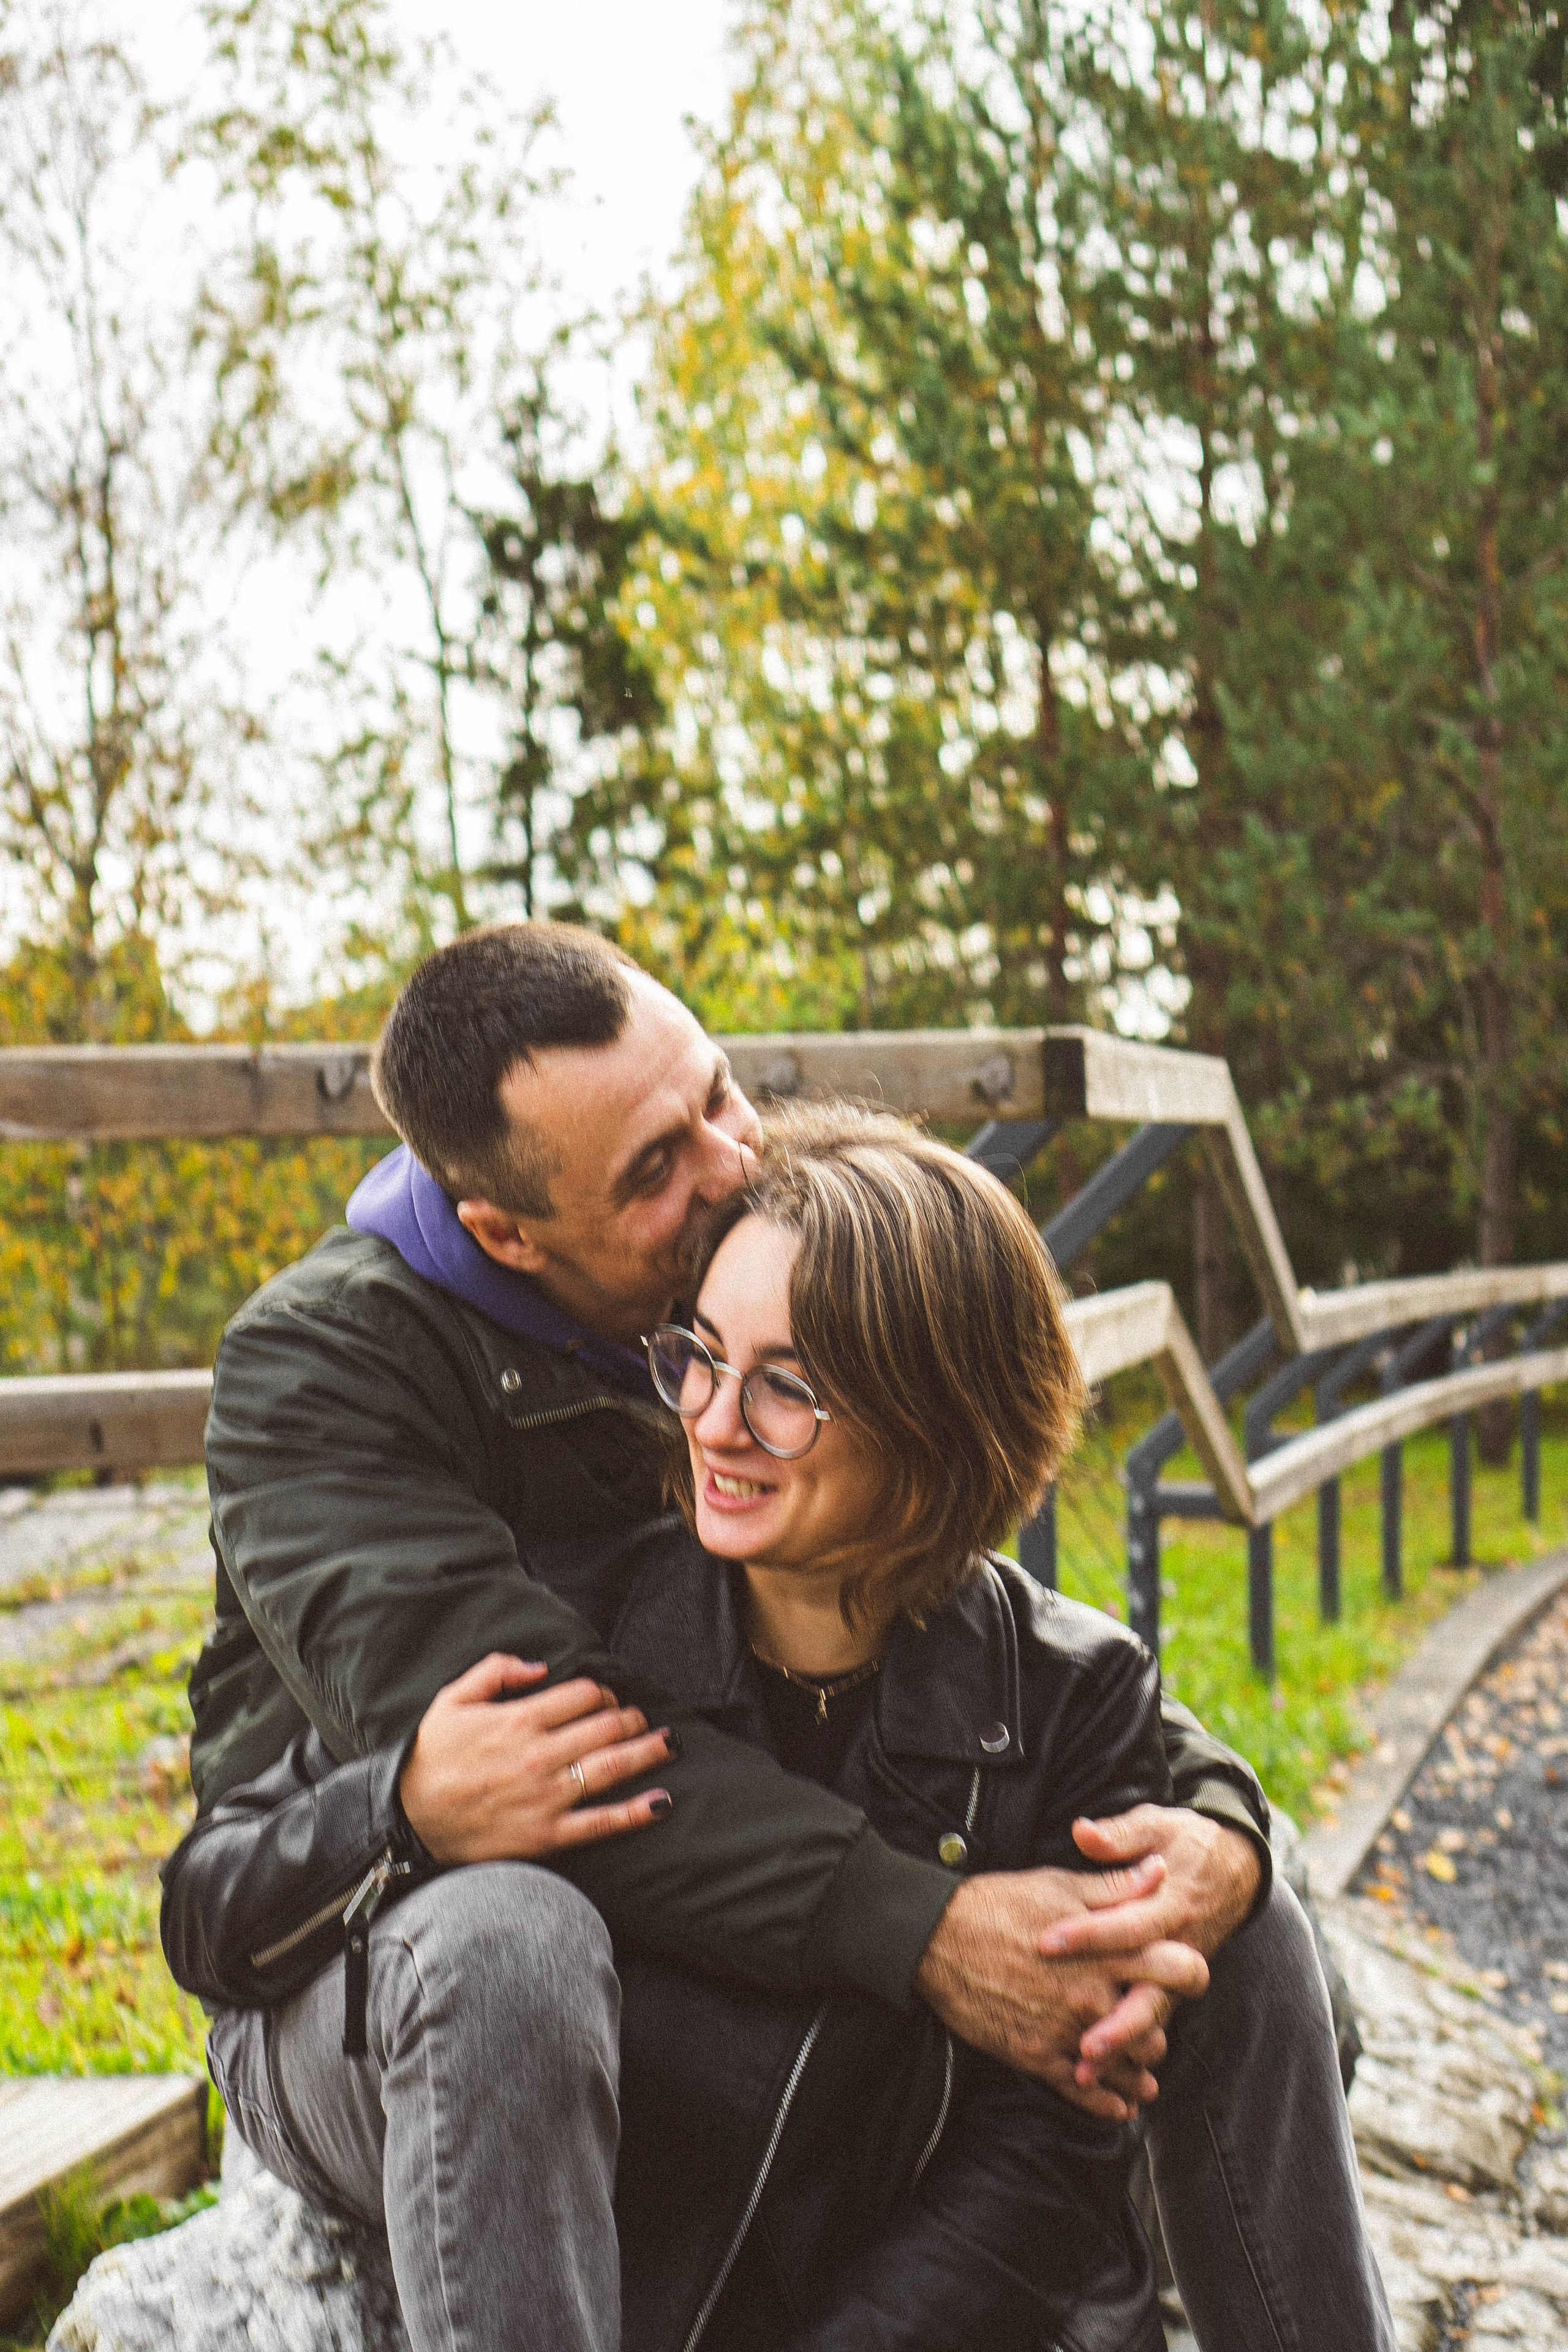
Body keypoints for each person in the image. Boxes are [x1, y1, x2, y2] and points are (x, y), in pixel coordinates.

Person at [164, 921, 1393, 2352]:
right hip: (373, 1932)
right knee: (514, 1941)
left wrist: (1211, 1821)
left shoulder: (720, 1254)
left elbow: (969, 1593)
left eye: (718, 1094)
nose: (732, 1164)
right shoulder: (325, 1372)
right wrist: (928, 1931)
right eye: (652, 1170)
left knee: (1218, 1919)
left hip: (762, 1833)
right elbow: (559, 1767)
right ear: (507, 1231)